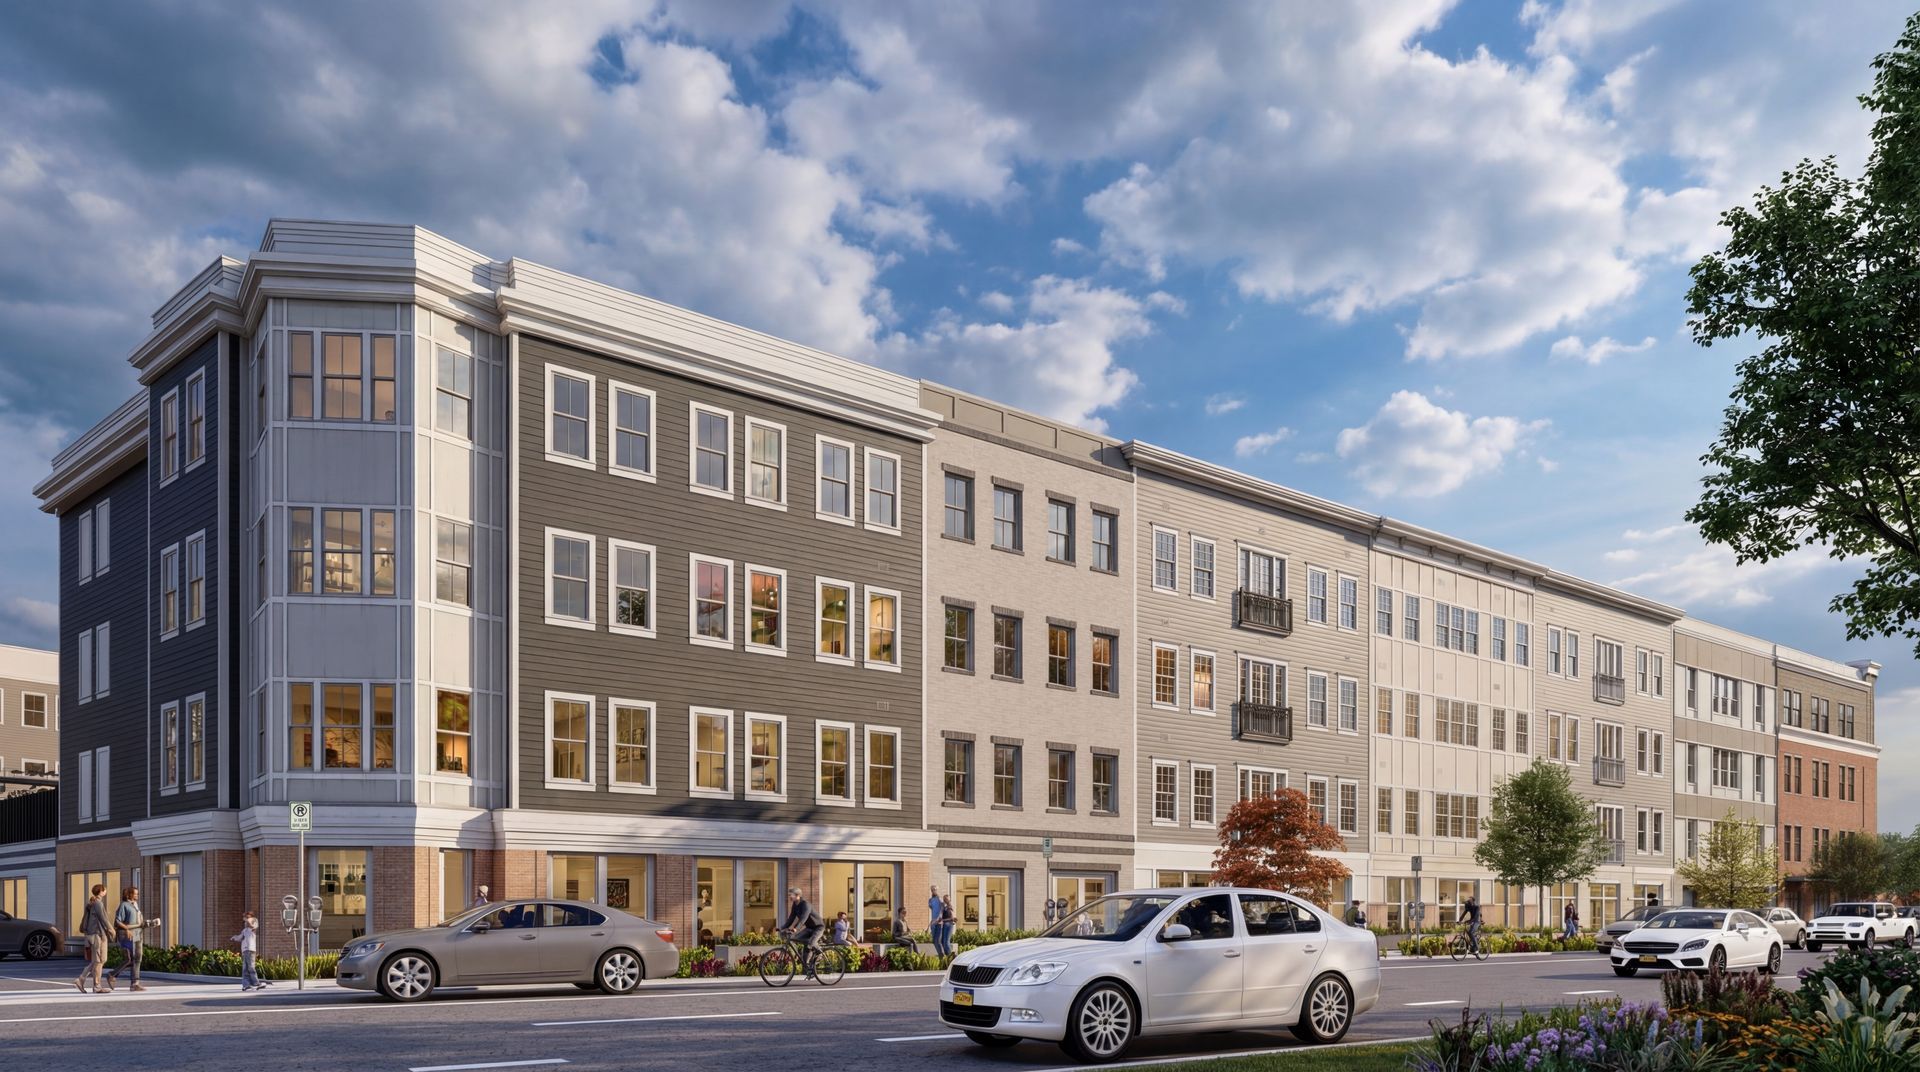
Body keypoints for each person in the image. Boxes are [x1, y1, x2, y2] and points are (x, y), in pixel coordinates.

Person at [104, 887, 150, 992]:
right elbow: (117, 921)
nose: (137, 896)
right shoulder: (124, 905)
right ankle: (114, 975)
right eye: (135, 894)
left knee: (137, 958)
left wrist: (145, 924)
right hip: (128, 935)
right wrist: (126, 929)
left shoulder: (135, 906)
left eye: (137, 894)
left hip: (137, 934)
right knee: (131, 959)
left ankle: (134, 983)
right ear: (129, 894)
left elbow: (137, 921)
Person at [74, 883, 111, 993]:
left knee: (100, 960)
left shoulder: (92, 903)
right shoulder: (98, 903)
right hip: (97, 935)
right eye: (105, 889)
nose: (106, 891)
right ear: (101, 891)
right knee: (98, 961)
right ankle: (96, 986)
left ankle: (82, 979)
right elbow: (104, 919)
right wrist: (112, 931)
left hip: (94, 935)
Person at [778, 886, 823, 976]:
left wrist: (796, 928)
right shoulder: (795, 905)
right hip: (809, 928)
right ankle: (807, 966)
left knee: (810, 943)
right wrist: (782, 928)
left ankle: (820, 955)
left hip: (818, 928)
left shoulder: (806, 905)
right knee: (795, 938)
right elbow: (791, 918)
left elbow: (803, 919)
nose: (789, 896)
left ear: (797, 895)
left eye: (791, 894)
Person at [233, 912, 262, 992]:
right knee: (245, 968)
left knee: (251, 967)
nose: (245, 921)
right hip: (245, 951)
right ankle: (246, 985)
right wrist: (234, 937)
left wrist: (247, 918)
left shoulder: (253, 929)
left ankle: (256, 983)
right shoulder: (245, 930)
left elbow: (252, 923)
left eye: (246, 918)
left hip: (250, 950)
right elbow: (239, 938)